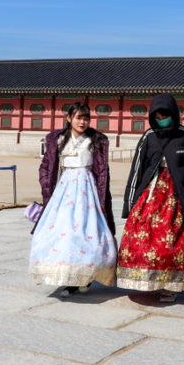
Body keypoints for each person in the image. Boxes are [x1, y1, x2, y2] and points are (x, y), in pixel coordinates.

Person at [117, 94, 184, 302]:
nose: (162, 119)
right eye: (157, 116)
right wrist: (129, 203)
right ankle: (149, 280)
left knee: (173, 241)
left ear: (174, 114)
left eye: (166, 115)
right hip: (150, 193)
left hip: (177, 196)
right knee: (142, 238)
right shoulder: (149, 136)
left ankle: (171, 286)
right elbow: (137, 169)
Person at [29, 102, 117, 297]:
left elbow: (103, 171)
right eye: (79, 117)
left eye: (86, 118)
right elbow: (45, 166)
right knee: (64, 232)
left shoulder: (95, 140)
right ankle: (70, 279)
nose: (83, 122)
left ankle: (85, 277)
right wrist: (46, 185)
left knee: (87, 231)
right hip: (64, 188)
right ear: (69, 118)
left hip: (88, 188)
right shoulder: (58, 139)